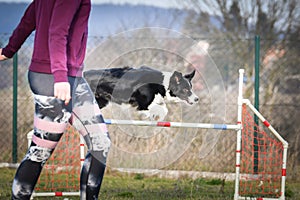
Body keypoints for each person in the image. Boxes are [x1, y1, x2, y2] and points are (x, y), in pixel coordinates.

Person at [0, 0, 111, 199]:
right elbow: (57, 32)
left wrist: (9, 50)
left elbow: (29, 18)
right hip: (53, 77)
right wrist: (60, 77)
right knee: (40, 152)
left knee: (100, 142)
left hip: (72, 77)